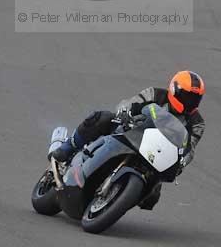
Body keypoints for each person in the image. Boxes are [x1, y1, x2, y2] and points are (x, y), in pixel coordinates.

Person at [52, 71, 206, 186]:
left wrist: (181, 163)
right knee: (102, 118)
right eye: (187, 96)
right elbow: (130, 103)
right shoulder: (156, 94)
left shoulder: (197, 123)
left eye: (195, 98)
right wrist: (124, 113)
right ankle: (68, 147)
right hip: (132, 131)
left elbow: (189, 148)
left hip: (156, 154)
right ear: (175, 90)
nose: (190, 102)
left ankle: (117, 196)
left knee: (153, 196)